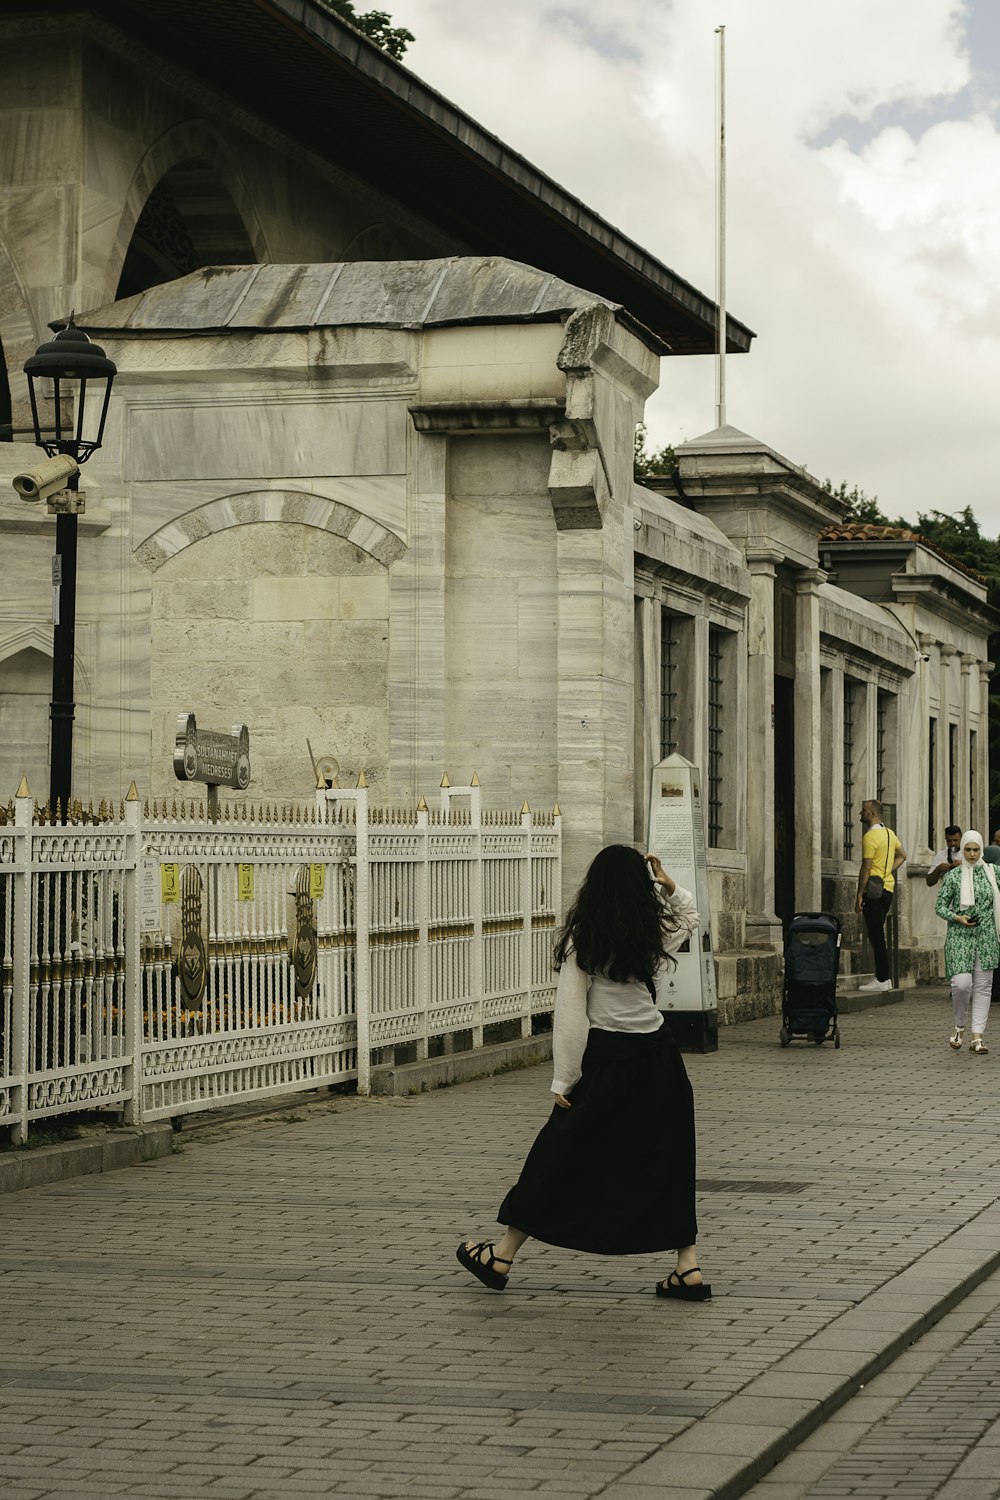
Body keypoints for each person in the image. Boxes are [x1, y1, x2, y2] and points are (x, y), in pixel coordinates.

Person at [456, 844, 710, 1301]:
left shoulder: (585, 939)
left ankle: (501, 1256)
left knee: (556, 1156)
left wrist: (564, 1079)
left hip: (609, 1062)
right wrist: (669, 886)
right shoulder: (652, 930)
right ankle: (687, 1267)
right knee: (669, 1159)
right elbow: (690, 917)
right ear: (640, 887)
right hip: (660, 1058)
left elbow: (572, 1017)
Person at [935, 830, 1000, 1055]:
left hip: (987, 936)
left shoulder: (994, 872)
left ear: (982, 849)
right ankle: (959, 1026)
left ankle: (977, 1037)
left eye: (976, 849)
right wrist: (957, 917)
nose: (972, 854)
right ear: (962, 849)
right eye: (968, 849)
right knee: (961, 985)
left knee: (983, 987)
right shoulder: (954, 876)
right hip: (960, 935)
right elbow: (940, 906)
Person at [855, 799, 906, 992]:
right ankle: (883, 978)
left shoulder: (870, 837)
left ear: (873, 813)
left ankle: (882, 978)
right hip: (888, 889)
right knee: (877, 934)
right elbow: (902, 855)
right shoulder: (889, 833)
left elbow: (866, 867)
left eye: (864, 810)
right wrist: (887, 870)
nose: (861, 813)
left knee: (876, 935)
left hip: (874, 891)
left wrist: (860, 894)